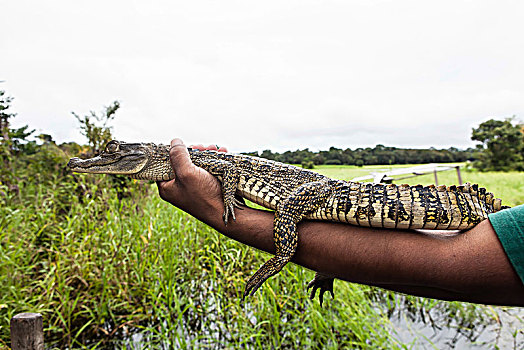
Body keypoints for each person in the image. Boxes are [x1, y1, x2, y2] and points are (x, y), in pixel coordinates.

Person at [157, 138, 524, 306]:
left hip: (326, 195)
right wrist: (330, 266)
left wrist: (220, 213)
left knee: (295, 210)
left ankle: (284, 253)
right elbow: (482, 283)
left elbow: (462, 270)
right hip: (332, 196)